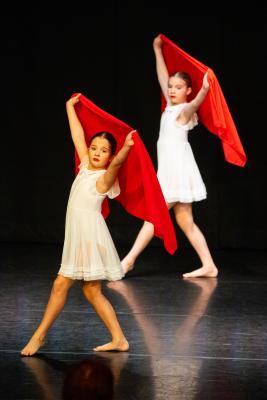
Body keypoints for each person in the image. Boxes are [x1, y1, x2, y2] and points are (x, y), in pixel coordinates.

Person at [21, 93, 134, 356]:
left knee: (62, 283)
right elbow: (77, 136)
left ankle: (39, 336)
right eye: (94, 148)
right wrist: (69, 107)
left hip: (88, 238)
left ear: (109, 156)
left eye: (103, 151)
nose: (96, 153)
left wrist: (126, 148)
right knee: (92, 291)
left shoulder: (104, 179)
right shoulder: (84, 166)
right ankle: (119, 339)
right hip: (80, 236)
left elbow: (118, 163)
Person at [121, 35, 218, 279]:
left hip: (176, 173)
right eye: (171, 87)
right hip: (172, 172)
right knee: (185, 221)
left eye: (178, 87)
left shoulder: (183, 112)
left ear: (187, 90)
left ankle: (129, 260)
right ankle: (209, 265)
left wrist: (205, 89)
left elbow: (194, 104)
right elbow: (162, 76)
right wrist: (156, 49)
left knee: (154, 216)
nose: (172, 90)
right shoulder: (169, 108)